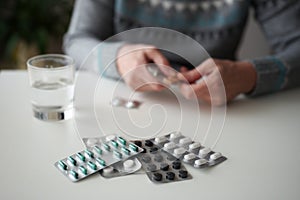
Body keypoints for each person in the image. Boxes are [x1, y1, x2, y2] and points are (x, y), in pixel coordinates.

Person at [63, 0, 300, 105]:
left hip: (223, 109)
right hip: (124, 100)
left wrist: (249, 75)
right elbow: (76, 43)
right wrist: (119, 59)